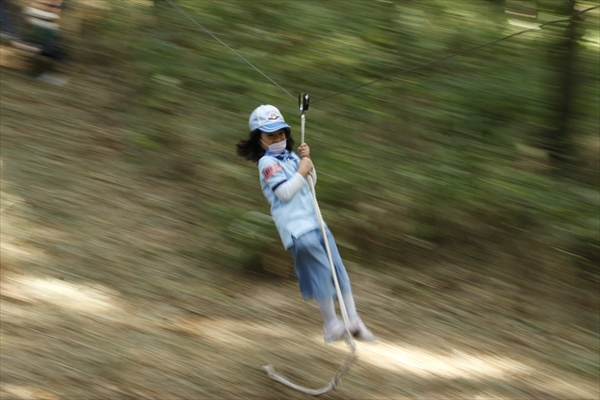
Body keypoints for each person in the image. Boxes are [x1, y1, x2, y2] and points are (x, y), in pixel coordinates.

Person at [236, 104, 375, 344]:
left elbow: (311, 181)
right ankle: (332, 324)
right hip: (298, 230)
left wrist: (307, 161)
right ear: (259, 140)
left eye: (281, 132)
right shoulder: (267, 164)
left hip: (317, 222)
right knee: (321, 272)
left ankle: (353, 320)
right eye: (271, 134)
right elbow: (285, 192)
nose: (278, 138)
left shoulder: (289, 156)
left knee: (338, 270)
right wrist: (301, 170)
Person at [11, 0, 68, 84]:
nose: (56, 9)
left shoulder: (47, 21)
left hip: (38, 41)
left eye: (57, 6)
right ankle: (38, 73)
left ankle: (39, 73)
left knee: (52, 50)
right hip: (30, 40)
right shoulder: (33, 15)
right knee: (48, 50)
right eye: (54, 6)